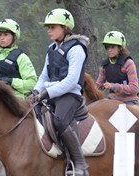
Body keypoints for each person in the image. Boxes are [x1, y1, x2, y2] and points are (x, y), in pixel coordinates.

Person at [27, 8, 91, 176]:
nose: (49, 30)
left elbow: (71, 81)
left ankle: (80, 164)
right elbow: (43, 75)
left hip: (70, 95)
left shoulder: (77, 49)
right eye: (48, 27)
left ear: (65, 27)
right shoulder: (51, 48)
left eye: (52, 27)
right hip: (51, 93)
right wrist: (36, 90)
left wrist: (46, 93)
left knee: (60, 121)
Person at [0, 19, 37, 98]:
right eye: (0, 35)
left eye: (5, 34)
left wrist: (12, 81)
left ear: (14, 37)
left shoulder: (21, 57)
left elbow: (32, 83)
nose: (2, 38)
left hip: (16, 100)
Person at [96, 31, 139, 105]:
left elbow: (134, 88)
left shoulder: (128, 63)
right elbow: (98, 85)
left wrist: (113, 86)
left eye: (112, 47)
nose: (109, 50)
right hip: (112, 100)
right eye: (107, 47)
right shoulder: (105, 64)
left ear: (120, 48)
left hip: (129, 101)